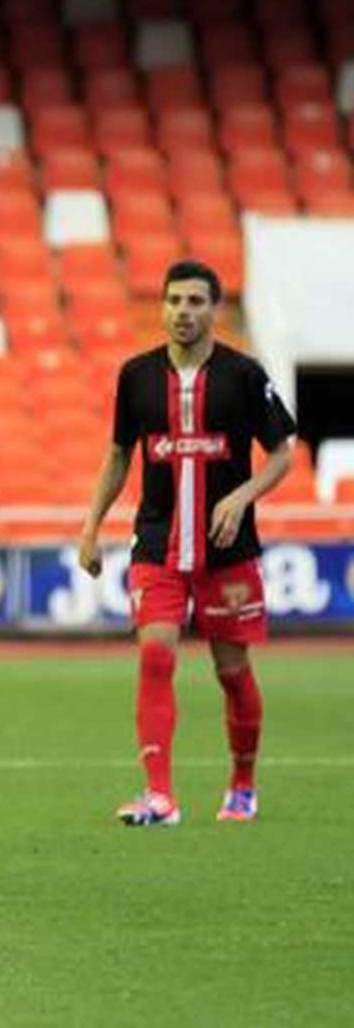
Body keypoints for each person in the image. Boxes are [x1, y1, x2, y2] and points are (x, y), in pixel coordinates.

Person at [79, 259, 296, 826]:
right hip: (157, 543)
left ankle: (243, 785)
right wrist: (91, 526)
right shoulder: (136, 376)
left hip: (227, 549)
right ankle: (160, 796)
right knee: (155, 655)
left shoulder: (244, 375)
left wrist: (241, 497)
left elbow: (282, 453)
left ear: (215, 310)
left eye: (196, 302)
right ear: (162, 306)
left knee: (232, 670)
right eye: (174, 300)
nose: (183, 311)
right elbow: (119, 454)